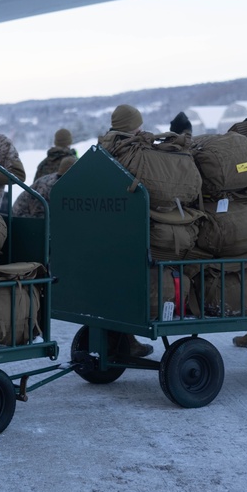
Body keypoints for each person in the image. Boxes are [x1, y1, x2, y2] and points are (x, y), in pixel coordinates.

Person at [97, 103, 155, 358]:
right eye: (139, 125)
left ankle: (113, 340)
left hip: (105, 226)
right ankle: (126, 341)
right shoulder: (128, 148)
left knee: (108, 284)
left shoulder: (102, 147)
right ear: (132, 127)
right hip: (125, 226)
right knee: (127, 285)